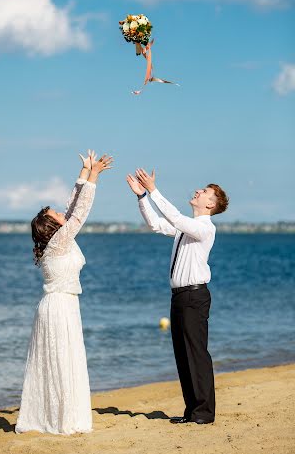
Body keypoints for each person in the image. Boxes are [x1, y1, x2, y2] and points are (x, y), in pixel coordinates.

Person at [16, 150, 113, 435]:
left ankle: (57, 416)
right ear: (52, 226)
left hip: (60, 305)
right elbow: (79, 212)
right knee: (60, 363)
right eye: (55, 215)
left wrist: (84, 172)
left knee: (61, 363)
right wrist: (95, 176)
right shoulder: (59, 242)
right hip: (58, 308)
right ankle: (61, 420)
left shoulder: (57, 240)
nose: (61, 213)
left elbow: (71, 209)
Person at [126, 168, 229, 425]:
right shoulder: (186, 229)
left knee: (196, 354)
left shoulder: (205, 228)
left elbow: (174, 217)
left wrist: (154, 190)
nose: (197, 191)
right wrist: (142, 198)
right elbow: (156, 224)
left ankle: (204, 412)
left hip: (195, 297)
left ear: (210, 203)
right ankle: (192, 410)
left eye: (204, 191)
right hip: (180, 297)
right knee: (183, 355)